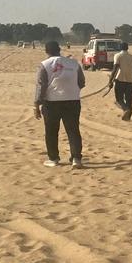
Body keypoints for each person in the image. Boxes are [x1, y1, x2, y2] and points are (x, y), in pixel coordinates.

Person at [33, 40, 85, 168]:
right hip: (73, 101)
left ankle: (53, 158)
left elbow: (41, 86)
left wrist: (36, 105)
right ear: (59, 49)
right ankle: (76, 158)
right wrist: (71, 90)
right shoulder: (74, 63)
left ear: (46, 51)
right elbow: (82, 82)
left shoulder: (44, 65)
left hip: (51, 103)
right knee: (73, 130)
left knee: (51, 131)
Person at [108, 42, 132, 121]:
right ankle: (128, 118)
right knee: (129, 100)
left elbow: (115, 69)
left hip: (120, 81)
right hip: (130, 82)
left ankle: (126, 109)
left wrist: (110, 81)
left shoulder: (117, 56)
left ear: (120, 48)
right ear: (127, 48)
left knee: (119, 99)